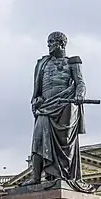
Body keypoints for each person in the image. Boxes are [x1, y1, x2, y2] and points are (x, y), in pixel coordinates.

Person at [23, 31, 88, 189]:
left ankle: (62, 175)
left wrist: (79, 95)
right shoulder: (42, 64)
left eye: (52, 42)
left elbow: (80, 83)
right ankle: (36, 176)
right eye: (48, 43)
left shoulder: (72, 62)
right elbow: (37, 90)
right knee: (38, 140)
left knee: (64, 143)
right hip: (45, 107)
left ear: (61, 43)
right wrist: (37, 100)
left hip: (65, 106)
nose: (49, 46)